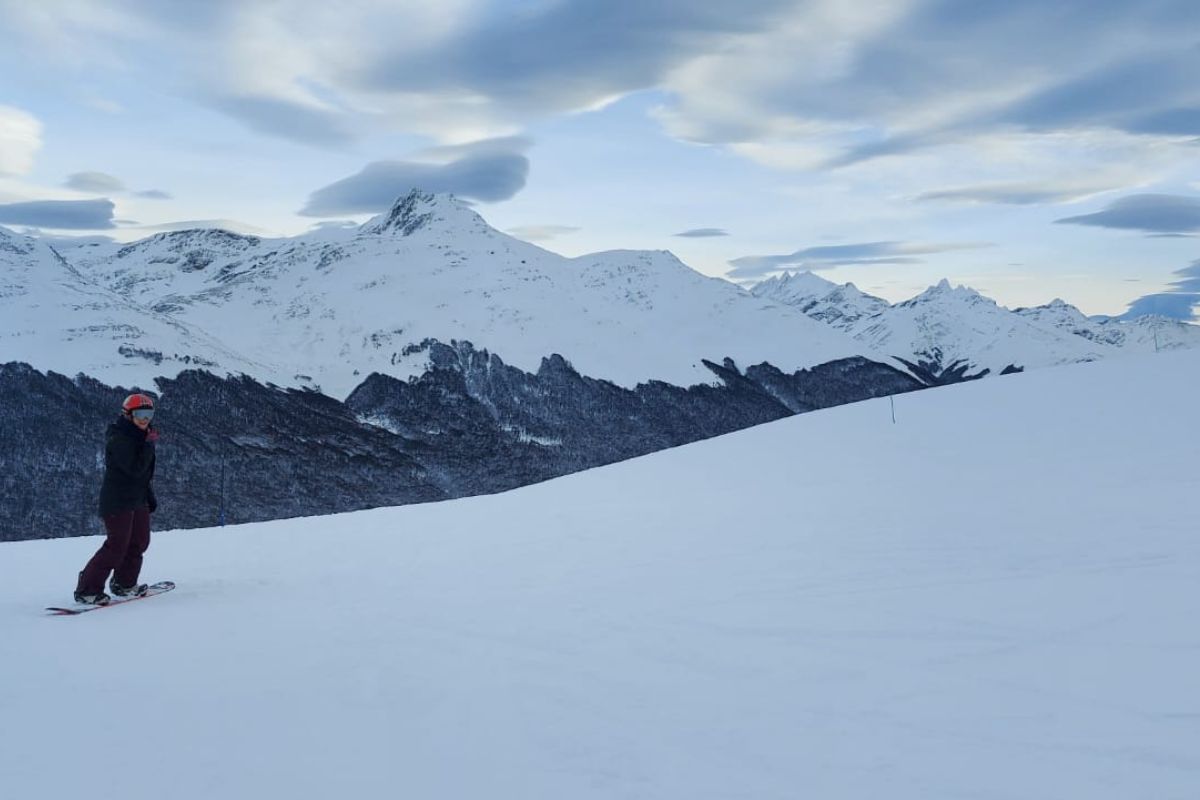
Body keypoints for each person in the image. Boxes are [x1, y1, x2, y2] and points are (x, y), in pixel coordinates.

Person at [74, 393, 159, 605]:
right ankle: (87, 589)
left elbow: (143, 475)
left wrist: (148, 497)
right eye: (140, 414)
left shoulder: (140, 436)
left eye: (149, 414)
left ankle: (124, 583)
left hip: (137, 498)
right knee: (116, 546)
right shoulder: (120, 438)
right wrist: (148, 445)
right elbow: (134, 469)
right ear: (127, 415)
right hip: (117, 500)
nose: (144, 419)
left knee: (139, 542)